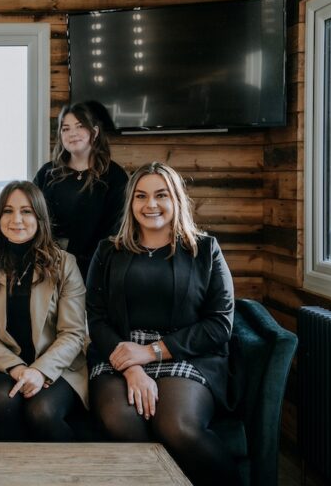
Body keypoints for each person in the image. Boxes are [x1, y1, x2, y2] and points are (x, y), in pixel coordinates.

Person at [85, 162, 240, 486]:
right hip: (119, 353)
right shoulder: (107, 251)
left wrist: (153, 352)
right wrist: (132, 366)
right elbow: (96, 319)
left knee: (177, 427)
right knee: (121, 421)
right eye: (141, 196)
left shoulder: (205, 250)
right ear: (131, 203)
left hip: (185, 354)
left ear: (176, 200)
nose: (150, 204)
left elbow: (219, 324)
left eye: (160, 195)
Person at [0, 180, 88, 442]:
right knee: (3, 399)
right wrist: (17, 368)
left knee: (41, 410)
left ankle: (75, 474)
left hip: (57, 366)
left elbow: (73, 333)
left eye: (26, 211)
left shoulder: (65, 264)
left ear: (39, 217)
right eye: (8, 211)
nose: (16, 219)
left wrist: (39, 371)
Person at [34, 102, 128, 279]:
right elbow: (33, 216)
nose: (73, 133)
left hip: (96, 270)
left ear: (95, 132)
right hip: (49, 269)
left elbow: (115, 230)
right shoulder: (46, 174)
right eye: (66, 128)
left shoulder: (115, 177)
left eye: (80, 126)